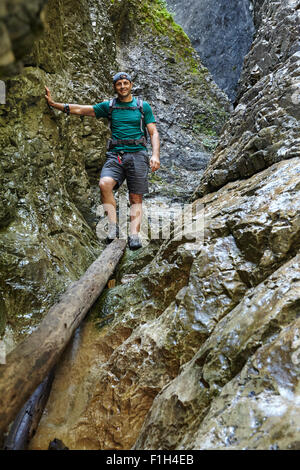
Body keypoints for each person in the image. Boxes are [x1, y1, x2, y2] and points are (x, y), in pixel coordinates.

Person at [44, 72, 160, 250]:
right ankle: (112, 228)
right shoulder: (110, 106)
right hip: (116, 155)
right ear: (115, 87)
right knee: (104, 184)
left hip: (138, 154)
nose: (122, 86)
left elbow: (153, 132)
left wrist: (155, 155)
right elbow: (82, 109)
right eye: (119, 84)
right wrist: (55, 105)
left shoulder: (142, 107)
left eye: (125, 83)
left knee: (135, 196)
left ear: (131, 85)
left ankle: (134, 235)